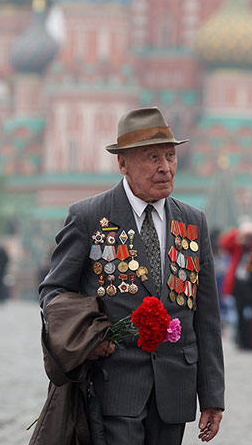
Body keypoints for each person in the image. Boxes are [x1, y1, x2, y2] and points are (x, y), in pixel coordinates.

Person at [39, 106, 224, 445]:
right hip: (115, 384)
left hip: (175, 388)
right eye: (152, 157)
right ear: (123, 163)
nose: (165, 168)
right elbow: (54, 291)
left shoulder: (193, 222)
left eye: (170, 156)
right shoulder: (89, 217)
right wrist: (84, 338)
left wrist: (212, 395)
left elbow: (207, 316)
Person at [219, 221, 252, 349]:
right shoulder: (238, 247)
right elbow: (224, 243)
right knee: (239, 313)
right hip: (239, 285)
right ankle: (241, 340)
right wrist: (238, 235)